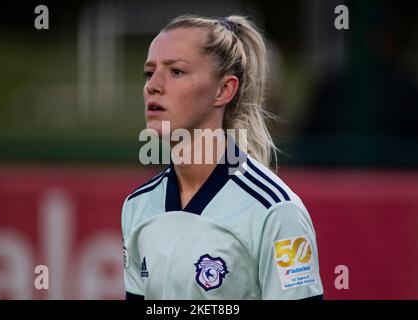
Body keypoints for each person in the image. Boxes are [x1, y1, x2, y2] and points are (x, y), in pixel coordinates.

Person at [121, 14, 323, 300]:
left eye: (176, 71)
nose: (153, 85)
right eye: (149, 72)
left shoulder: (276, 212)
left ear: (224, 90)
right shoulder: (137, 206)